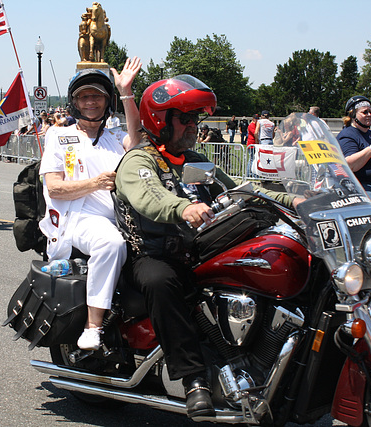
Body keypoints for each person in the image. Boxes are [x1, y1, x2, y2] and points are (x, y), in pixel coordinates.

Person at [114, 75, 296, 419]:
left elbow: (240, 191)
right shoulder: (140, 161)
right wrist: (183, 207)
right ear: (160, 120)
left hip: (197, 251)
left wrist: (294, 199)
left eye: (197, 118)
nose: (194, 125)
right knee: (161, 281)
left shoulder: (196, 161)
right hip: (152, 254)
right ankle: (193, 380)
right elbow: (150, 197)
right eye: (185, 118)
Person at [38, 57, 142, 352]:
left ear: (108, 102)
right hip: (79, 219)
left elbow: (137, 136)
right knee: (111, 244)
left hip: (123, 218)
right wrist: (95, 183)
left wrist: (127, 91)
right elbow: (55, 188)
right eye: (84, 96)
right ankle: (93, 325)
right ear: (75, 103)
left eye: (97, 95)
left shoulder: (115, 138)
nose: (91, 102)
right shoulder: (60, 136)